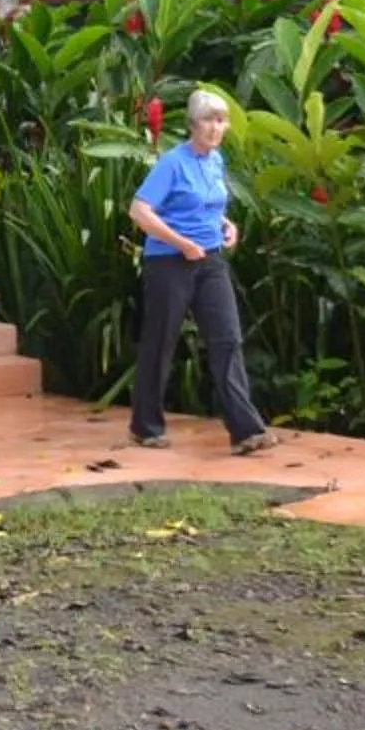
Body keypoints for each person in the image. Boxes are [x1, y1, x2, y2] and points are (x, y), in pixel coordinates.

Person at [126, 89, 277, 456]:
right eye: (208, 120)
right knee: (161, 341)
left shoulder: (215, 161)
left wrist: (227, 226)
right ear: (192, 124)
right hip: (169, 263)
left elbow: (207, 204)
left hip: (210, 261)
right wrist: (180, 243)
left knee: (227, 340)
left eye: (221, 120)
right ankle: (145, 427)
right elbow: (139, 210)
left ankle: (246, 431)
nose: (215, 127)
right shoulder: (172, 163)